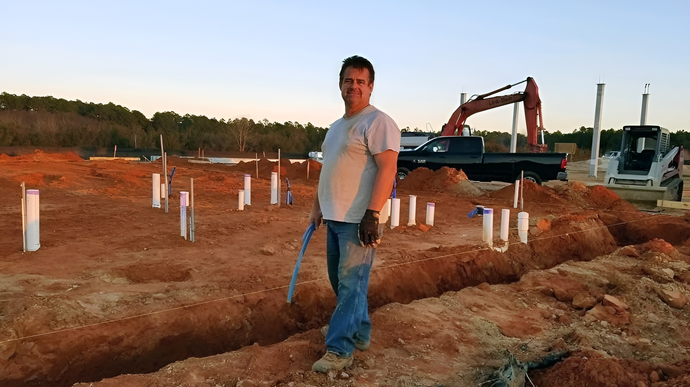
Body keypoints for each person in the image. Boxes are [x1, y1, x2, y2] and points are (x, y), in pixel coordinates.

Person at [308, 55, 400, 373]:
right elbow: (329, 170)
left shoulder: (377, 122)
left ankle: (340, 349)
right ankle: (358, 331)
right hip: (334, 217)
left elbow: (388, 169)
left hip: (358, 220)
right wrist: (316, 208)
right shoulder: (336, 127)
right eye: (349, 80)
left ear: (371, 87)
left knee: (351, 284)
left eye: (361, 81)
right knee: (342, 281)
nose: (354, 86)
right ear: (340, 84)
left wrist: (372, 214)